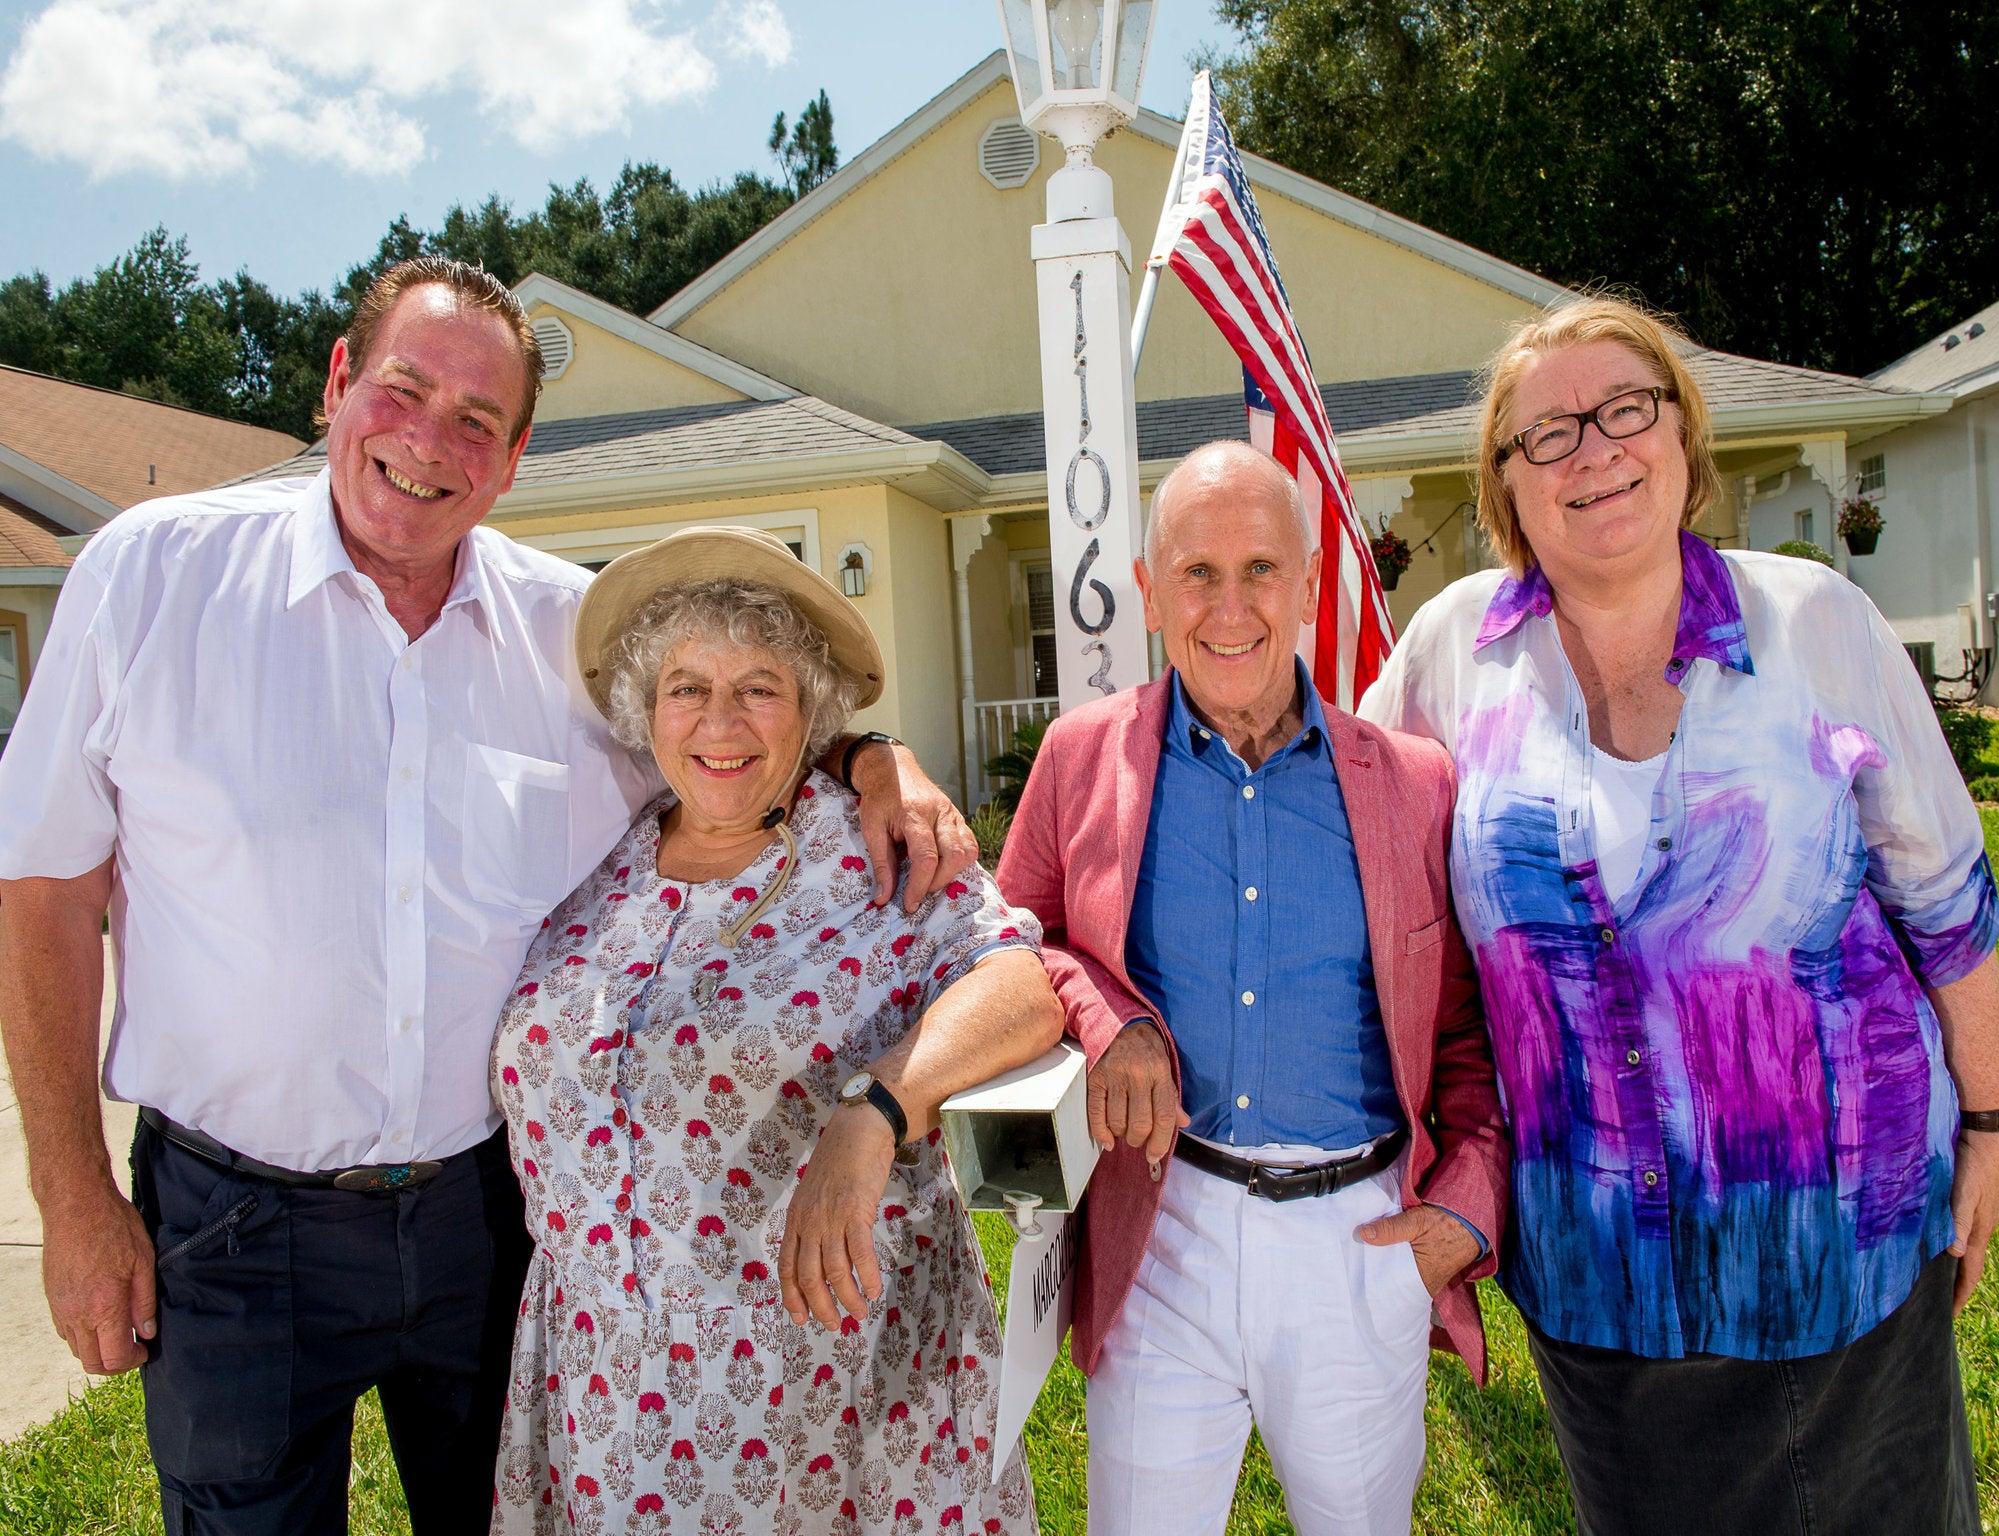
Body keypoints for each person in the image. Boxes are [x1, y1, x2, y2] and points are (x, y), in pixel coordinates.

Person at [0, 256, 976, 1536]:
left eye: (476, 421)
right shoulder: (153, 579)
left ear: (511, 459)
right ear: (337, 385)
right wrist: (72, 1196)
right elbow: (43, 890)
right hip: (232, 1223)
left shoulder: (571, 642)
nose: (428, 443)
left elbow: (727, 744)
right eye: (403, 391)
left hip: (492, 1218)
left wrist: (868, 755)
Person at [1361, 294, 1999, 1535]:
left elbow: (1943, 899)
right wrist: (871, 759)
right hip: (1601, 1282)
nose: (1594, 451)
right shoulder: (1451, 653)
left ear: (1680, 434)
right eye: (1546, 433)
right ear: (1504, 484)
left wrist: (1987, 1116)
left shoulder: (1814, 621)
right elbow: (1341, 846)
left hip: (1843, 1248)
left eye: (1624, 410)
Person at [489, 528, 1059, 1534]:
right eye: (684, 687)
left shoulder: (873, 850)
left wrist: (876, 1110)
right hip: (600, 1394)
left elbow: (1017, 986)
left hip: (825, 1398)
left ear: (810, 711)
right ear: (643, 708)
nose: (719, 722)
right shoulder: (600, 854)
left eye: (758, 686)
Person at [996, 440, 1509, 1535]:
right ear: (1148, 591)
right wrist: (1109, 1017)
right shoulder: (1082, 757)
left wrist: (1462, 1212)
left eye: (1260, 571)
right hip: (1160, 1222)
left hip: (1359, 1244)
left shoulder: (1413, 784)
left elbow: (1471, 1032)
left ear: (1310, 582)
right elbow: (1008, 944)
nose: (1229, 607)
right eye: (1195, 573)